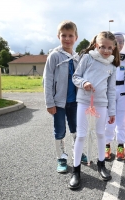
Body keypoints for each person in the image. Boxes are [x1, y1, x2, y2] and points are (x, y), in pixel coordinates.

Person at [69, 31, 120, 189]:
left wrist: (112, 111)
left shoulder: (112, 66)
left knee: (100, 134)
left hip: (101, 104)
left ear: (113, 48)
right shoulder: (87, 58)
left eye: (109, 48)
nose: (106, 50)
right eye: (102, 47)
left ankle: (101, 165)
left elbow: (111, 90)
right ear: (96, 45)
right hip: (84, 102)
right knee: (82, 135)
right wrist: (84, 83)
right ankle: (76, 171)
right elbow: (75, 76)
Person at [43, 20, 87, 174]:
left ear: (76, 37)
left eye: (70, 35)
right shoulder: (54, 56)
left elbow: (81, 77)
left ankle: (78, 152)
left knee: (77, 129)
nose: (67, 39)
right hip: (59, 103)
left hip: (75, 102)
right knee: (60, 131)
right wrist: (49, 102)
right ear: (58, 36)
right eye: (64, 35)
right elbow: (47, 80)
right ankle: (61, 158)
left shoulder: (78, 57)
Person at [104, 32, 125, 161]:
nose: (119, 44)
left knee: (122, 120)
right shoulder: (105, 57)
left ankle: (121, 146)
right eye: (116, 41)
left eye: (122, 41)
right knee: (108, 119)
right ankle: (106, 146)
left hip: (123, 91)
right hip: (108, 91)